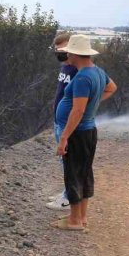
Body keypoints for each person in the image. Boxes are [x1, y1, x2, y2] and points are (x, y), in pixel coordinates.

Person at [52, 34, 117, 231]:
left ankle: (74, 221)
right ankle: (81, 217)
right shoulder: (97, 72)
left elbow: (77, 111)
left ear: (74, 54)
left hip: (77, 133)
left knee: (73, 174)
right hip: (88, 131)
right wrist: (93, 102)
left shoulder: (82, 78)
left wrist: (64, 137)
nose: (67, 56)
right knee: (84, 173)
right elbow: (112, 88)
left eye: (69, 52)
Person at [46, 32, 77, 212]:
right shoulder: (65, 67)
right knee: (64, 161)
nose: (61, 54)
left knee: (69, 161)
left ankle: (68, 198)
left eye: (63, 50)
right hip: (59, 122)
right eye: (58, 50)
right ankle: (67, 192)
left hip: (68, 124)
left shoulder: (79, 70)